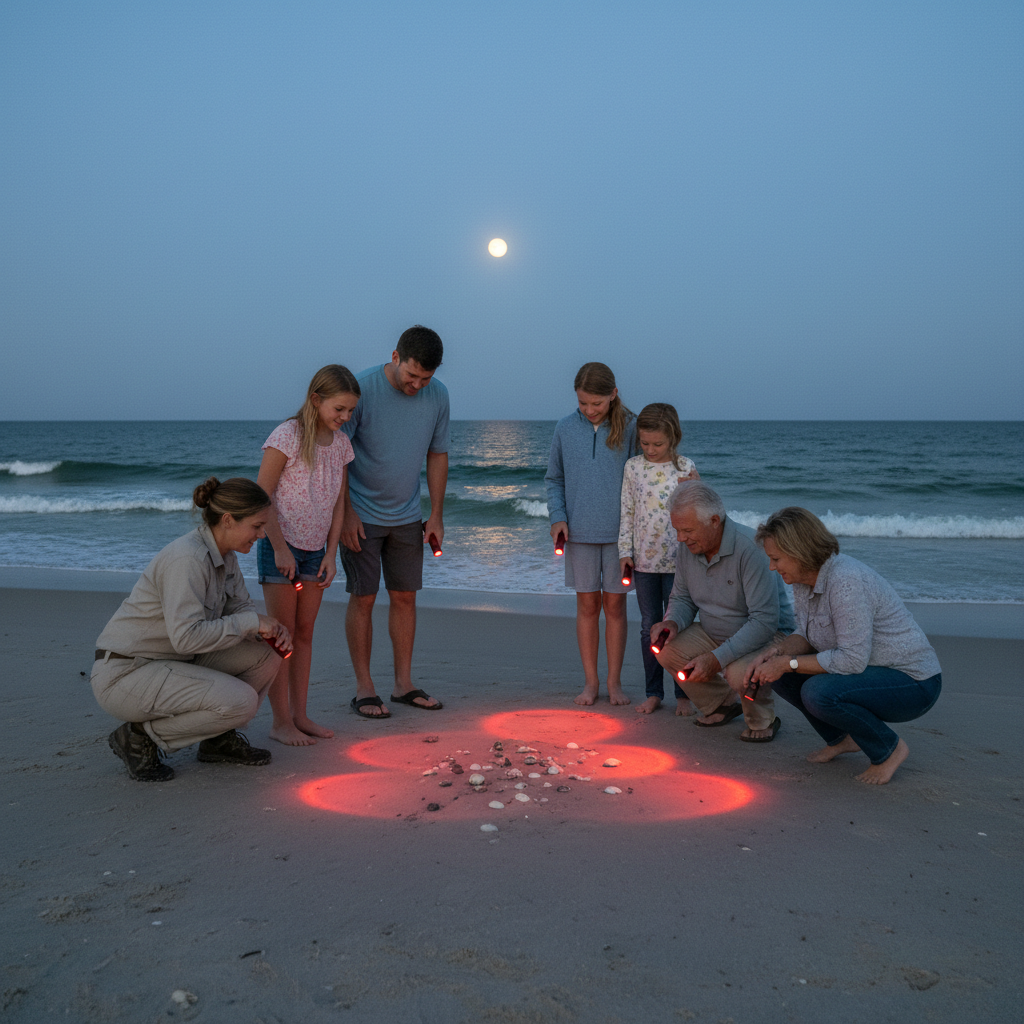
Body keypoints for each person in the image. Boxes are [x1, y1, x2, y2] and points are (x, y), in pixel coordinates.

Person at [90, 477, 292, 782]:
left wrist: (269, 629)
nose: (263, 535)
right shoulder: (187, 558)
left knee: (268, 654)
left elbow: (240, 609)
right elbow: (186, 638)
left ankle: (217, 740)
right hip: (126, 673)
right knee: (242, 702)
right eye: (257, 526)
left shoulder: (226, 556)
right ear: (228, 520)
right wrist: (251, 623)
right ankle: (139, 737)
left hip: (174, 661)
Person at [746, 507, 942, 784]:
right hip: (868, 673)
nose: (772, 567)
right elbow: (806, 633)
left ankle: (889, 750)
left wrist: (788, 662)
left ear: (799, 551)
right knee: (780, 675)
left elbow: (852, 660)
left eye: (776, 558)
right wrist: (777, 653)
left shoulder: (845, 580)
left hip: (913, 682)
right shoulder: (803, 579)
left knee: (818, 691)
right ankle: (843, 738)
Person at [340, 326, 449, 719]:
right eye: (411, 376)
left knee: (405, 596)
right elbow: (339, 452)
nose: (417, 385)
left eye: (426, 379)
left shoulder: (439, 395)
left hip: (407, 514)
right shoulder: (364, 388)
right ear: (395, 356)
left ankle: (403, 684)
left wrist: (435, 513)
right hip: (362, 515)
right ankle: (364, 688)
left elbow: (438, 454)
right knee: (364, 597)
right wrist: (346, 512)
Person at [255, 365, 359, 745]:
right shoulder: (288, 435)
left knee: (305, 634)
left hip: (318, 551)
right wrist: (280, 549)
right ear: (316, 400)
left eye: (349, 411)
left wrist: (332, 555)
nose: (345, 418)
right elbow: (261, 496)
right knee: (281, 637)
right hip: (280, 546)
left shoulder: (342, 444)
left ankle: (300, 714)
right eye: (340, 409)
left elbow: (338, 505)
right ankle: (280, 721)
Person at [650, 481, 795, 741]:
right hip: (714, 629)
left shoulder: (750, 549)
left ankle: (764, 719)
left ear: (715, 520)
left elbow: (764, 622)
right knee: (666, 650)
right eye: (677, 530)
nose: (681, 538)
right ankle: (721, 704)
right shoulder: (687, 548)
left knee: (738, 673)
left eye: (687, 530)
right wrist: (671, 622)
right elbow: (682, 597)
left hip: (768, 635)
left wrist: (717, 659)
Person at [546, 362, 637, 706]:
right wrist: (558, 517)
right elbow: (554, 479)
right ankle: (591, 682)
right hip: (579, 535)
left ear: (613, 395)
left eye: (596, 403)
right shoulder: (565, 428)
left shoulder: (630, 427)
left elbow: (640, 480)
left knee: (615, 606)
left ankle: (614, 683)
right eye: (583, 403)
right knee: (587, 606)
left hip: (621, 538)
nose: (589, 410)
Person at [617, 403, 700, 715]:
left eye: (658, 444)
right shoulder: (633, 468)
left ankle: (684, 693)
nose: (650, 450)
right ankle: (654, 692)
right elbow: (627, 512)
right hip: (644, 564)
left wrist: (693, 487)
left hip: (681, 563)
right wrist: (625, 553)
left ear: (673, 438)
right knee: (648, 627)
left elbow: (700, 513)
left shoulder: (685, 467)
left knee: (679, 626)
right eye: (645, 443)